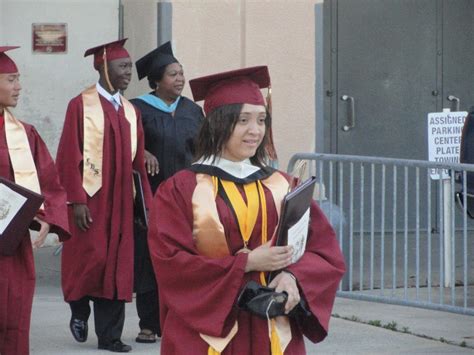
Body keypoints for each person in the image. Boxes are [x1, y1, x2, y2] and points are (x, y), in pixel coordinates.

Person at [147, 65, 346, 354]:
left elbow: (323, 251)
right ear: (218, 123)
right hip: (207, 335)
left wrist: (293, 277)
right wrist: (247, 263)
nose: (255, 131)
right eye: (243, 120)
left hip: (274, 330)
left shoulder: (284, 186)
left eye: (262, 120)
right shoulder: (181, 190)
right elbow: (170, 263)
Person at [56, 39, 152, 353]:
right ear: (103, 67)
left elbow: (137, 164)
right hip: (91, 200)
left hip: (123, 201)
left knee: (117, 265)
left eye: (129, 67)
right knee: (89, 259)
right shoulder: (80, 105)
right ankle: (79, 309)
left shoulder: (130, 111)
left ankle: (110, 337)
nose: (129, 73)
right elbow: (69, 155)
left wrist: (144, 206)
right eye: (123, 67)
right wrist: (76, 200)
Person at [129, 41, 204, 343]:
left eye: (181, 73)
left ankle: (180, 318)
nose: (180, 79)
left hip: (187, 196)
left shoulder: (192, 110)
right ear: (157, 80)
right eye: (173, 74)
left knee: (184, 257)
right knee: (149, 258)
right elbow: (122, 143)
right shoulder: (137, 109)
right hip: (151, 196)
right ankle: (149, 323)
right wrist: (142, 151)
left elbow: (204, 149)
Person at [0, 46, 70, 355]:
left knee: (12, 314)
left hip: (10, 246)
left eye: (18, 79)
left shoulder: (24, 133)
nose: (19, 87)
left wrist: (45, 215)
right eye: (11, 79)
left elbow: (48, 181)